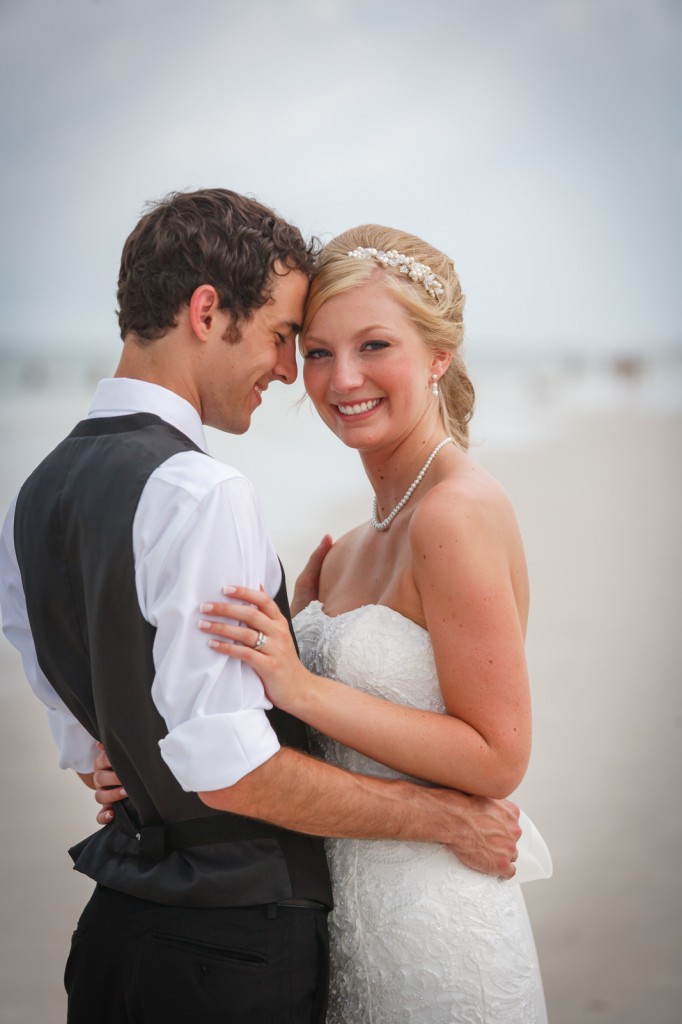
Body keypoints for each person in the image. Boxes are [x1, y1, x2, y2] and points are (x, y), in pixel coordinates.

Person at [0, 192, 522, 1024]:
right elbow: (226, 767)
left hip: (119, 929)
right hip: (229, 946)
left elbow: (95, 743)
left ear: (437, 356)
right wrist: (446, 821)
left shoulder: (34, 494)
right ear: (208, 312)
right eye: (293, 341)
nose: (293, 374)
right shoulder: (201, 490)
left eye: (364, 345)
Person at [186, 226, 552, 1022]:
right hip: (348, 916)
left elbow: (497, 759)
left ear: (438, 355)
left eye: (374, 345)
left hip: (438, 924)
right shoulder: (355, 545)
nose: (341, 378)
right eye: (316, 352)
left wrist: (303, 685)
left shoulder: (453, 514)